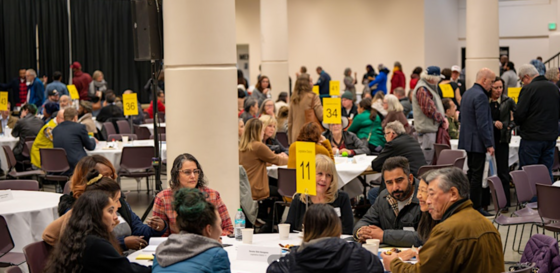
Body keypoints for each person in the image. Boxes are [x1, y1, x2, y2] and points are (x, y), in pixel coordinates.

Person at [381, 168, 504, 273]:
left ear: (453, 194)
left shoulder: (448, 230)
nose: (428, 201)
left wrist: (394, 264)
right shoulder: (486, 223)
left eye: (432, 194)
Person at [43, 156, 167, 251]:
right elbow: (85, 244)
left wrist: (157, 228)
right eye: (104, 176)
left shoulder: (118, 201)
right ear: (89, 179)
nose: (110, 180)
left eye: (111, 175)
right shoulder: (76, 207)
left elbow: (138, 229)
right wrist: (123, 243)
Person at [43, 190, 151, 273]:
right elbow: (127, 270)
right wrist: (157, 266)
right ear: (95, 215)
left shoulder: (77, 235)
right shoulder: (95, 244)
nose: (115, 217)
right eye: (110, 211)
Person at [269, 204, 383, 273]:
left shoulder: (291, 262)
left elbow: (272, 269)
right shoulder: (362, 255)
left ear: (306, 230)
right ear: (338, 229)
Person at [153, 153, 233, 237]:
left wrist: (210, 238)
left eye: (196, 172)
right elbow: (161, 236)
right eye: (187, 172)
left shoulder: (212, 195)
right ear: (176, 175)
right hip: (180, 247)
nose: (193, 176)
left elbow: (228, 229)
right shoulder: (163, 198)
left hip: (209, 245)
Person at [152, 188, 230, 272]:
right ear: (209, 229)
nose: (221, 230)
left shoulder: (161, 251)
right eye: (219, 225)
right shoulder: (217, 255)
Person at [354, 156, 421, 247]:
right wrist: (361, 232)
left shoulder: (425, 198)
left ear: (410, 178)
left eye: (399, 181)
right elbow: (365, 220)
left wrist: (383, 236)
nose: (395, 187)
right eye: (389, 182)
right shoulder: (384, 197)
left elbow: (426, 237)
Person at [458, 68, 495, 216]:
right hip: (477, 142)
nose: (492, 85)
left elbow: (462, 118)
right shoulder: (480, 96)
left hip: (468, 140)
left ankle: (469, 205)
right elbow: (483, 124)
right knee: (477, 176)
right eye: (491, 82)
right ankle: (475, 207)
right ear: (484, 80)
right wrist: (489, 144)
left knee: (471, 173)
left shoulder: (467, 93)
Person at [285, 154, 353, 233]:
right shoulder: (299, 199)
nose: (324, 179)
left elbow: (348, 230)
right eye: (320, 174)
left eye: (328, 175)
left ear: (332, 179)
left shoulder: (341, 198)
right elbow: (289, 229)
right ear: (310, 175)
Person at [515, 64, 560, 182]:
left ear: (526, 77)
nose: (522, 83)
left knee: (529, 173)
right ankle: (547, 199)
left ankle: (531, 200)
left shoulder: (528, 89)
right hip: (550, 138)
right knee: (546, 172)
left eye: (521, 81)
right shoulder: (554, 88)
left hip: (532, 138)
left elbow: (519, 114)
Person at [490, 77, 517, 211]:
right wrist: (493, 123)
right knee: (487, 171)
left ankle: (505, 203)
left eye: (501, 87)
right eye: (496, 87)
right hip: (488, 139)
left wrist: (508, 126)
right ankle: (487, 201)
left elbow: (518, 117)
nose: (499, 90)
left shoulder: (508, 100)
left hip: (502, 139)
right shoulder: (485, 101)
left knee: (503, 171)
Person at [411, 66, 446, 164]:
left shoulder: (427, 87)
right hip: (427, 131)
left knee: (430, 158)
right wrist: (442, 120)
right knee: (427, 160)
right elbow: (429, 109)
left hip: (429, 130)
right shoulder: (422, 89)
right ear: (433, 78)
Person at [52, 107, 97, 172]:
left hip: (59, 165)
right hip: (77, 164)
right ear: (75, 117)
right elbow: (90, 146)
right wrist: (93, 139)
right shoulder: (80, 127)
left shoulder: (55, 130)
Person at [288, 74, 323, 143]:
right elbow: (321, 116)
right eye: (311, 81)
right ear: (307, 83)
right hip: (309, 135)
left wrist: (290, 141)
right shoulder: (313, 97)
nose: (313, 83)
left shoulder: (293, 98)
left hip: (295, 135)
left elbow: (290, 122)